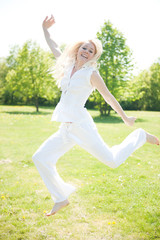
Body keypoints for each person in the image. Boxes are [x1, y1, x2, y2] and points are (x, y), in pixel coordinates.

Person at [32, 15, 160, 217]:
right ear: (77, 49)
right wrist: (45, 30)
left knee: (112, 161)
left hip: (81, 127)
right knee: (40, 158)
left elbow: (108, 97)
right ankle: (61, 198)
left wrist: (125, 118)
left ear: (93, 57)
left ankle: (140, 136)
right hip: (65, 129)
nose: (87, 52)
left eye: (91, 51)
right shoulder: (67, 65)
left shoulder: (91, 74)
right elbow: (54, 46)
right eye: (84, 48)